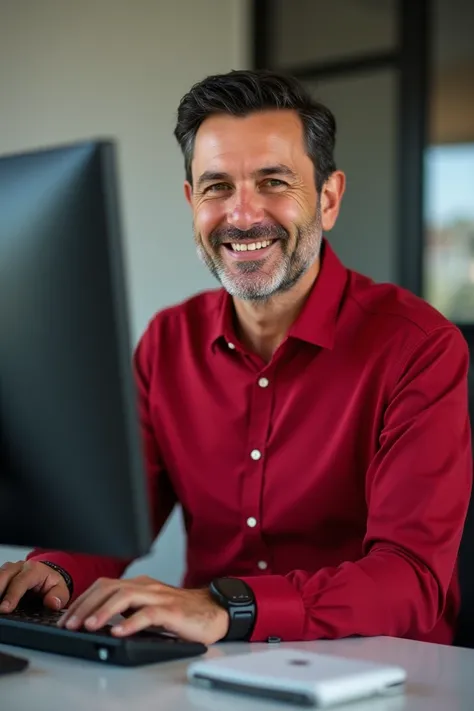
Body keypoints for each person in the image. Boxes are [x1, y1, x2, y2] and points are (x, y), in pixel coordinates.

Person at [0, 70, 471, 646]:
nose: (242, 216)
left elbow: (411, 578)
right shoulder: (166, 341)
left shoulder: (418, 348)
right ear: (190, 201)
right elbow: (116, 523)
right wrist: (54, 572)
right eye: (216, 186)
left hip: (382, 672)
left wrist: (229, 608)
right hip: (210, 665)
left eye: (273, 182)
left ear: (327, 199)